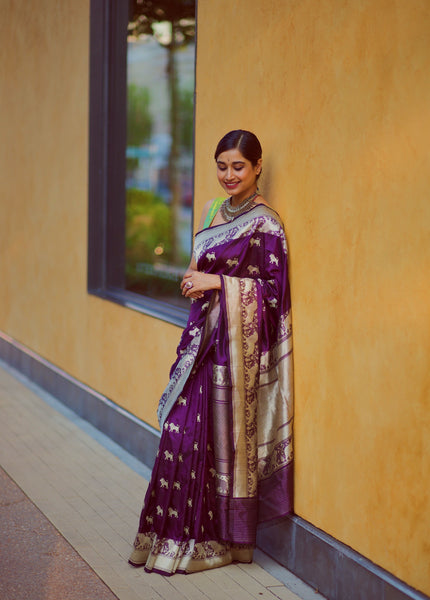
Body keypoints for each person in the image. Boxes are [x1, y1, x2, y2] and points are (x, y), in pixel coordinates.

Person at [129, 129, 294, 575]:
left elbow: (274, 295)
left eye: (238, 166)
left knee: (212, 443)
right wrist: (191, 277)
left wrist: (218, 283)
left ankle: (214, 544)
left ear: (258, 167)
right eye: (221, 166)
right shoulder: (210, 209)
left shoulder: (266, 223)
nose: (228, 175)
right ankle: (168, 540)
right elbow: (196, 262)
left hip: (231, 356)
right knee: (179, 439)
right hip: (200, 341)